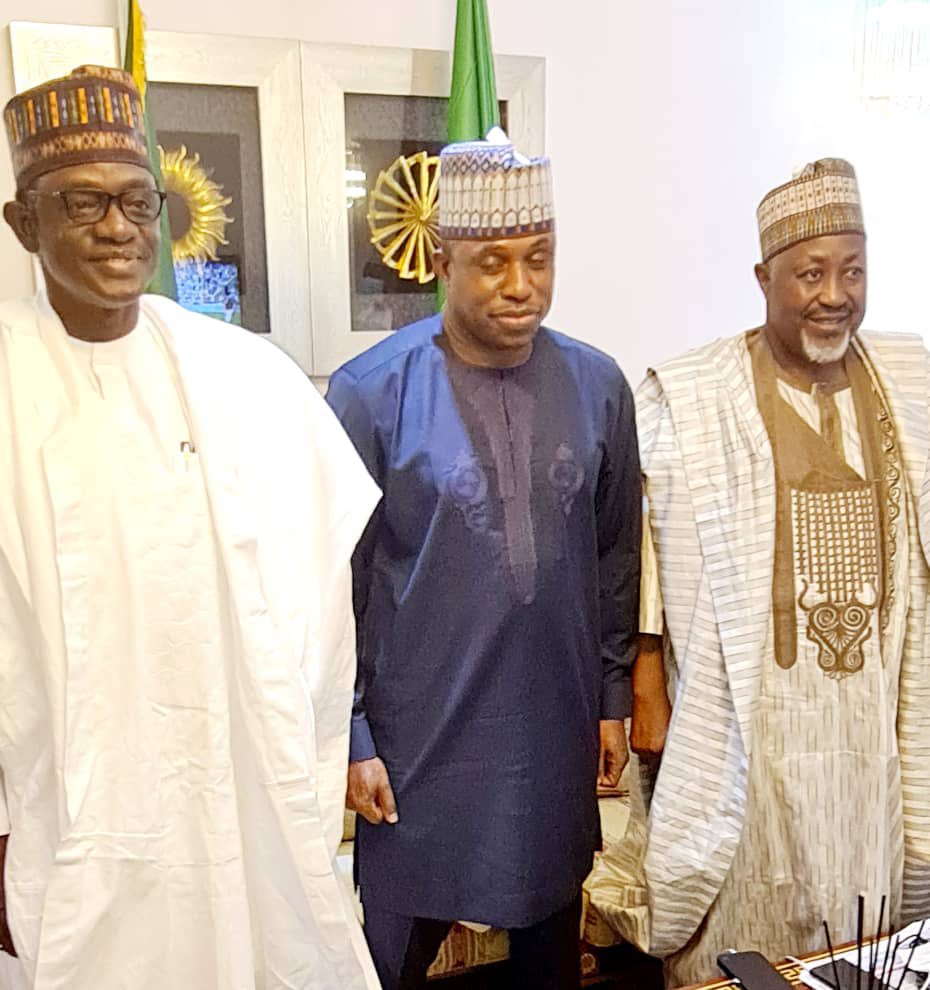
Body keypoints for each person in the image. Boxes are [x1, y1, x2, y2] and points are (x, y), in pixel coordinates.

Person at [0, 65, 381, 990]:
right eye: (81, 204)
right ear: (23, 223)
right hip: (61, 806)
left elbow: (322, 589)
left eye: (137, 202)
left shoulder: (243, 377)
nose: (118, 229)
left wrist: (305, 750)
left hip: (234, 786)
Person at [326, 129, 642, 990]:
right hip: (418, 744)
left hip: (552, 730)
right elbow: (331, 591)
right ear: (442, 258)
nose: (520, 285)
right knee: (387, 960)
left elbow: (614, 555)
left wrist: (613, 699)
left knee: (548, 952)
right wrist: (350, 736)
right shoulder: (368, 392)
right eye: (493, 260)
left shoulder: (600, 385)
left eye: (538, 258)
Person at [636, 157, 930, 985]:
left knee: (861, 945)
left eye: (852, 270)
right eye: (809, 273)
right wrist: (648, 679)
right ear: (763, 278)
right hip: (746, 735)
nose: (834, 294)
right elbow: (647, 557)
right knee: (746, 947)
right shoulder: (690, 397)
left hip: (868, 734)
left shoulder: (908, 386)